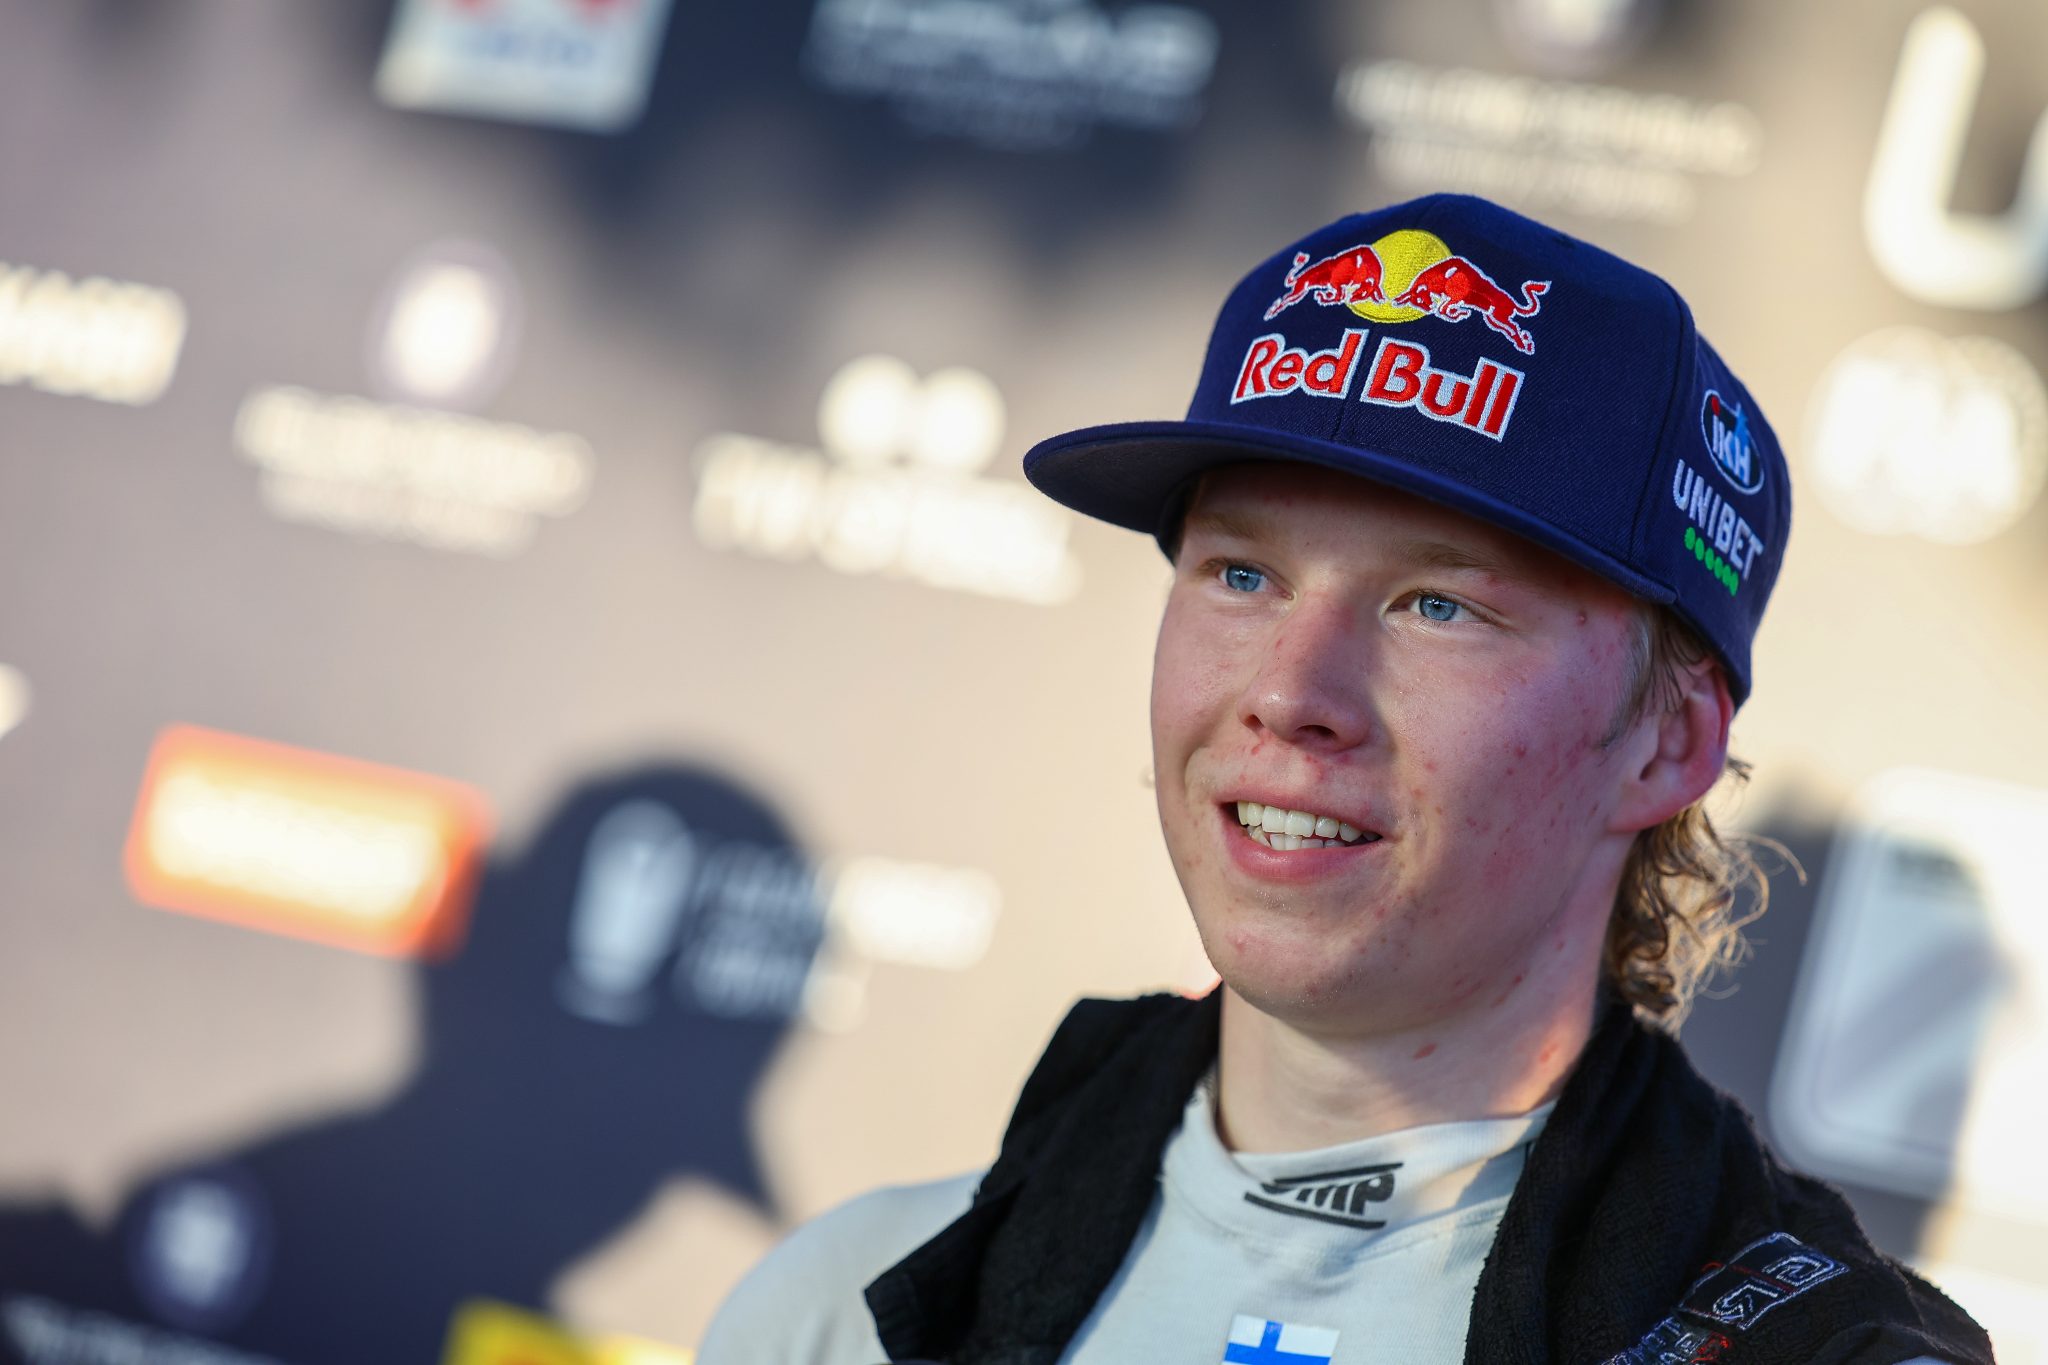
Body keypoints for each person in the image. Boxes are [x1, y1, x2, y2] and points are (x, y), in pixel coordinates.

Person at [698, 194, 1994, 1365]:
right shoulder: (839, 1313)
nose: (1291, 691)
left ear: (1666, 742)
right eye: (1242, 574)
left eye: (1437, 604)